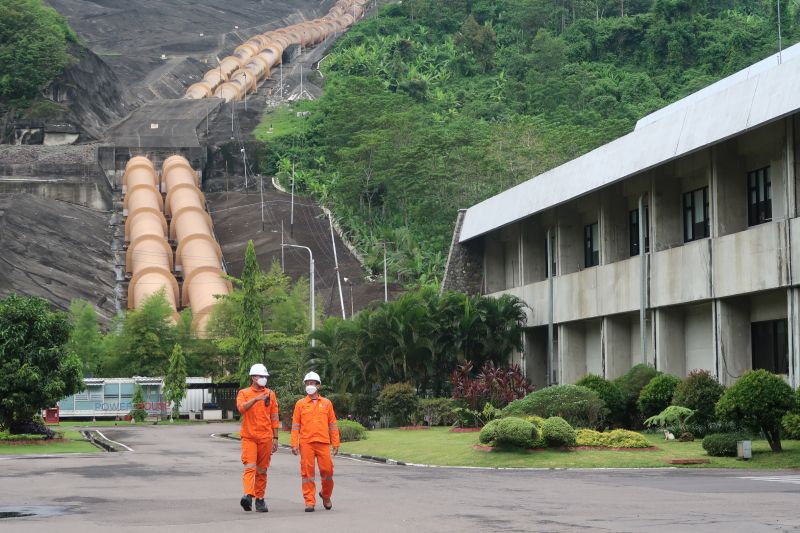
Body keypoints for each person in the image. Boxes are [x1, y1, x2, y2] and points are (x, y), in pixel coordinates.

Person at [291, 371, 340, 512]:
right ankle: (309, 501)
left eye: (312, 383)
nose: (309, 385)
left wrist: (335, 443)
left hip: (323, 442)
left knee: (328, 471)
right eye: (307, 383)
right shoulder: (300, 404)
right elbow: (295, 426)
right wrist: (294, 444)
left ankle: (326, 495)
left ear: (318, 386)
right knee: (307, 474)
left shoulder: (326, 403)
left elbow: (333, 425)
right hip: (306, 443)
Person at [236, 363, 279, 513]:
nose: (263, 379)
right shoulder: (244, 393)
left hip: (266, 437)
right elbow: (241, 409)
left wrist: (276, 437)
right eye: (261, 376)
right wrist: (255, 399)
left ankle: (260, 499)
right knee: (250, 466)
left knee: (262, 469)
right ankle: (248, 495)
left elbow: (274, 416)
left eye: (265, 377)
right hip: (249, 436)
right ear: (253, 377)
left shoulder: (270, 394)